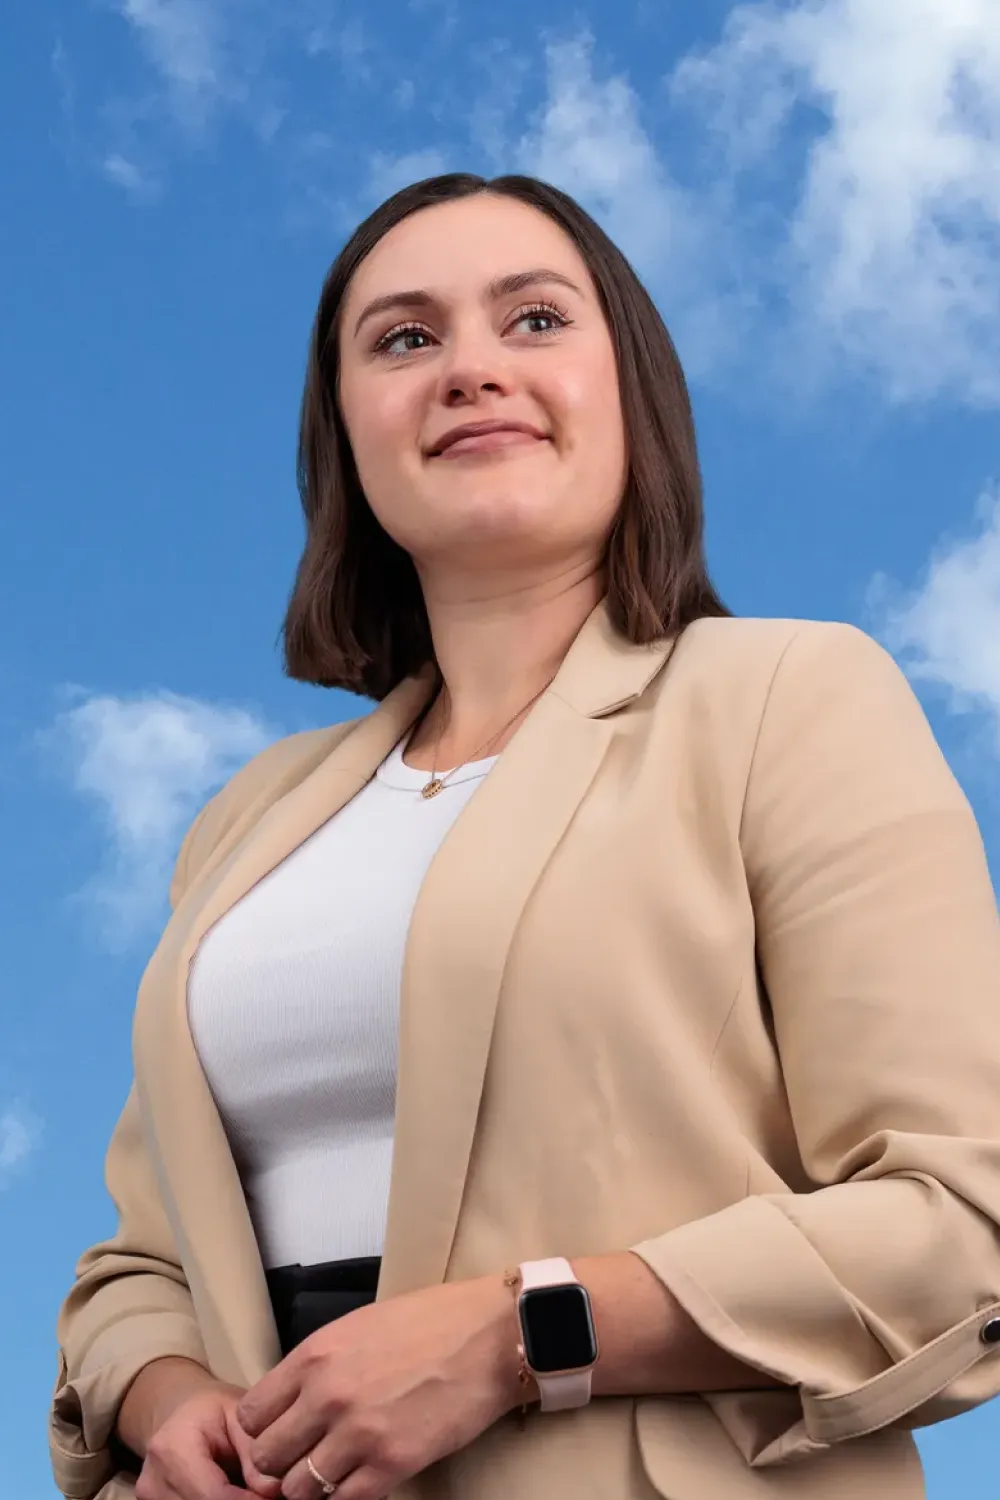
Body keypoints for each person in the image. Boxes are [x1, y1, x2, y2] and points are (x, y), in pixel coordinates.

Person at [49, 171, 1000, 1500]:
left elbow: (963, 1220)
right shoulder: (250, 820)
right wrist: (168, 1403)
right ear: (347, 433)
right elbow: (139, 1262)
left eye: (536, 319)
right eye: (404, 337)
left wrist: (519, 1335)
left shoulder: (787, 697)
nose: (470, 371)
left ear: (632, 394)